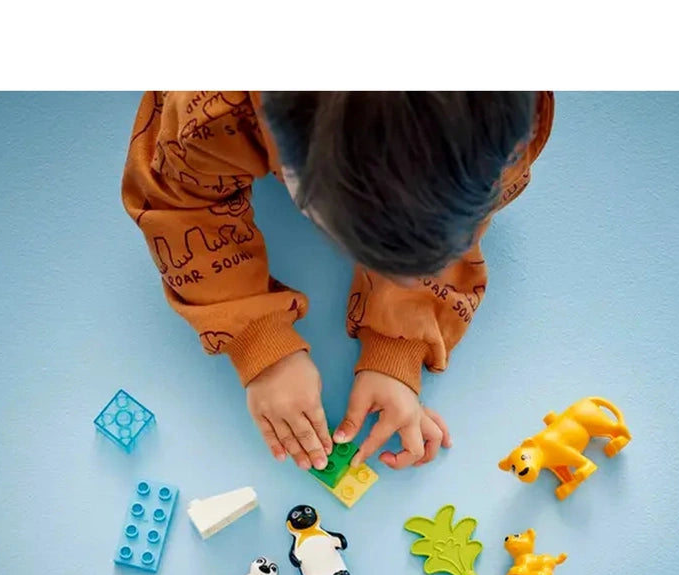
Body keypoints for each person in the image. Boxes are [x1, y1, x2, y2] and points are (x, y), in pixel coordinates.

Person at [121, 91, 554, 472]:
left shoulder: (512, 121)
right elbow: (176, 205)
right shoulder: (212, 111)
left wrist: (397, 345)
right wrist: (258, 341)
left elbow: (452, 218)